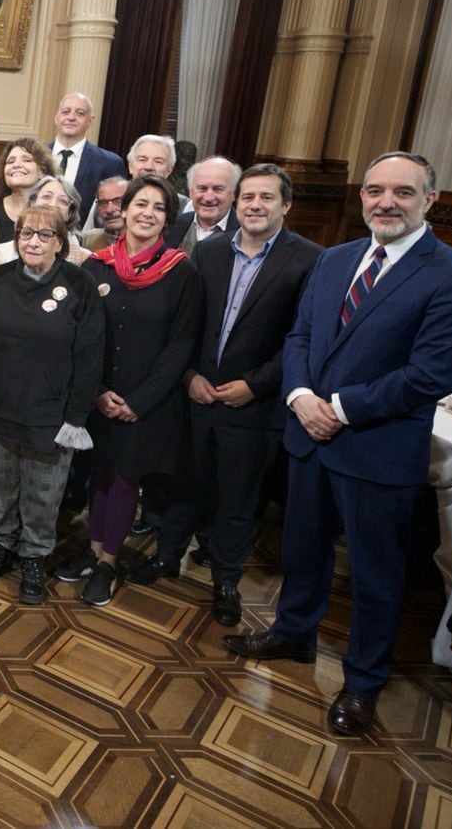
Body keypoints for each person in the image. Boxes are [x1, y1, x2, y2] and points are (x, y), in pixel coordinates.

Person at [224, 152, 452, 736]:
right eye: (374, 190)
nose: (385, 202)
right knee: (302, 552)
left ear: (430, 199)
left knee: (374, 575)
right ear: (362, 196)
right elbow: (300, 336)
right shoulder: (337, 259)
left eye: (401, 191)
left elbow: (431, 374)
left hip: (377, 447)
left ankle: (363, 682)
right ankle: (294, 634)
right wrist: (298, 398)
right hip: (309, 438)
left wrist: (338, 410)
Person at [126, 164, 321, 626]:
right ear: (237, 202)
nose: (255, 205)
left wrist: (257, 384)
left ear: (285, 205)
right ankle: (166, 556)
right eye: (248, 197)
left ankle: (226, 581)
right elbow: (186, 325)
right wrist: (189, 374)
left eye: (266, 198)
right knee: (182, 484)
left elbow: (303, 336)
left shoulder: (311, 260)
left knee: (237, 498)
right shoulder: (207, 253)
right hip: (196, 395)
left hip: (253, 404)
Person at [59, 175, 200, 608]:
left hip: (146, 402)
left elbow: (182, 344)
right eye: (141, 204)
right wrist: (98, 391)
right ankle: (95, 545)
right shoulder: (96, 265)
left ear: (168, 219)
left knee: (123, 479)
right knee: (98, 473)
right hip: (97, 395)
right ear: (125, 208)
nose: (148, 213)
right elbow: (78, 333)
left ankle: (108, 563)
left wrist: (139, 401)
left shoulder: (182, 272)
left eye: (159, 208)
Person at [0, 204, 104, 602]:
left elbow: (90, 356)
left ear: (61, 243)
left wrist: (76, 416)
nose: (33, 241)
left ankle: (33, 555)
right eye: (26, 233)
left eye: (45, 235)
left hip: (51, 414)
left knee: (42, 495)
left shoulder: (79, 285)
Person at [0, 176, 91, 267]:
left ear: (69, 213)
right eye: (46, 196)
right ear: (32, 202)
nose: (53, 204)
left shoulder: (85, 258)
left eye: (63, 201)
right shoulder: (1, 254)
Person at [47, 93, 128, 208]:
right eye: (66, 112)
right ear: (56, 117)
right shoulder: (34, 156)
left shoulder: (110, 163)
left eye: (80, 113)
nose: (71, 118)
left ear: (90, 121)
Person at [0, 136, 60, 245]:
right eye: (10, 162)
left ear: (42, 171)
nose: (16, 165)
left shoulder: (53, 211)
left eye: (27, 160)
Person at [165, 156, 239, 253]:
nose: (209, 198)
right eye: (202, 188)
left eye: (218, 189)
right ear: (191, 192)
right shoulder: (174, 225)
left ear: (234, 194)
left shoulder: (243, 233)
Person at [80, 175, 129, 252]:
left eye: (118, 201)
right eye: (103, 203)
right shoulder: (85, 241)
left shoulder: (148, 242)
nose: (109, 210)